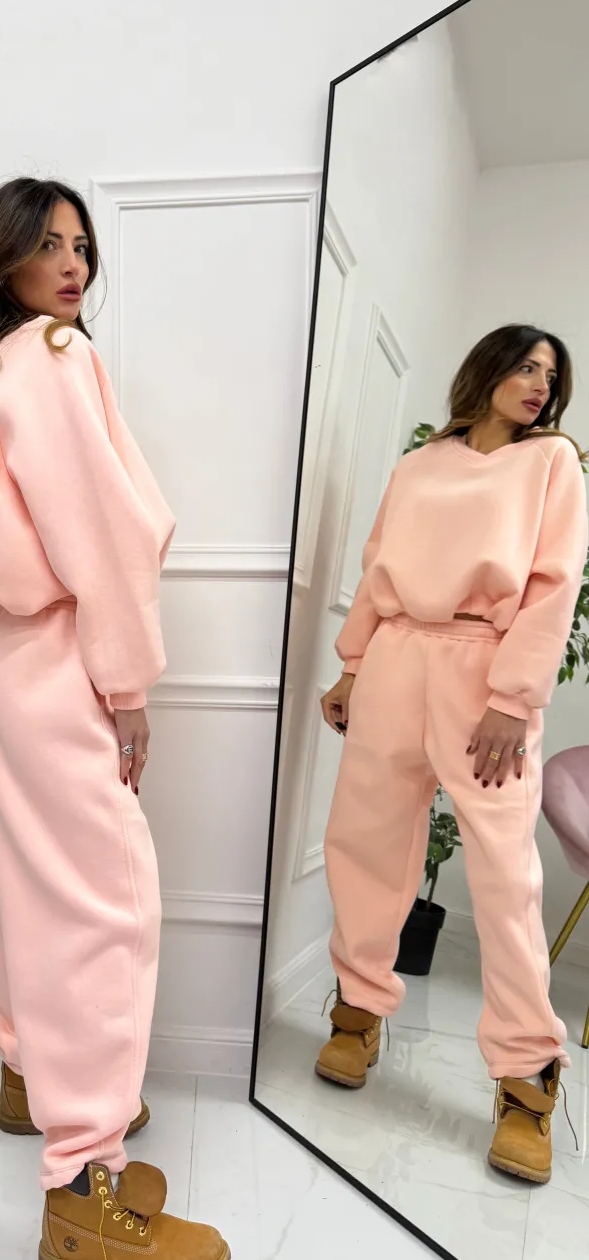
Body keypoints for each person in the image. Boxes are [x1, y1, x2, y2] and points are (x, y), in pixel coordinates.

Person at [0, 177, 230, 1259]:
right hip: (61, 657)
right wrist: (127, 686)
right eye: (48, 244)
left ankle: (31, 1077)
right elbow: (98, 533)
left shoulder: (6, 363)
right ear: (4, 258)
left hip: (13, 656)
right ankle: (83, 1189)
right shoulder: (56, 356)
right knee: (108, 904)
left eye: (82, 246)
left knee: (37, 886)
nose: (72, 264)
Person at [315, 325, 588, 1185]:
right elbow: (378, 565)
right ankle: (358, 1009)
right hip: (397, 653)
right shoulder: (422, 464)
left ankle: (526, 1076)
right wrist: (352, 665)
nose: (539, 383)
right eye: (525, 365)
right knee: (365, 842)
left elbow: (553, 583)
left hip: (485, 667)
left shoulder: (554, 461)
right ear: (487, 369)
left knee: (505, 876)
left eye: (551, 374)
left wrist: (513, 697)